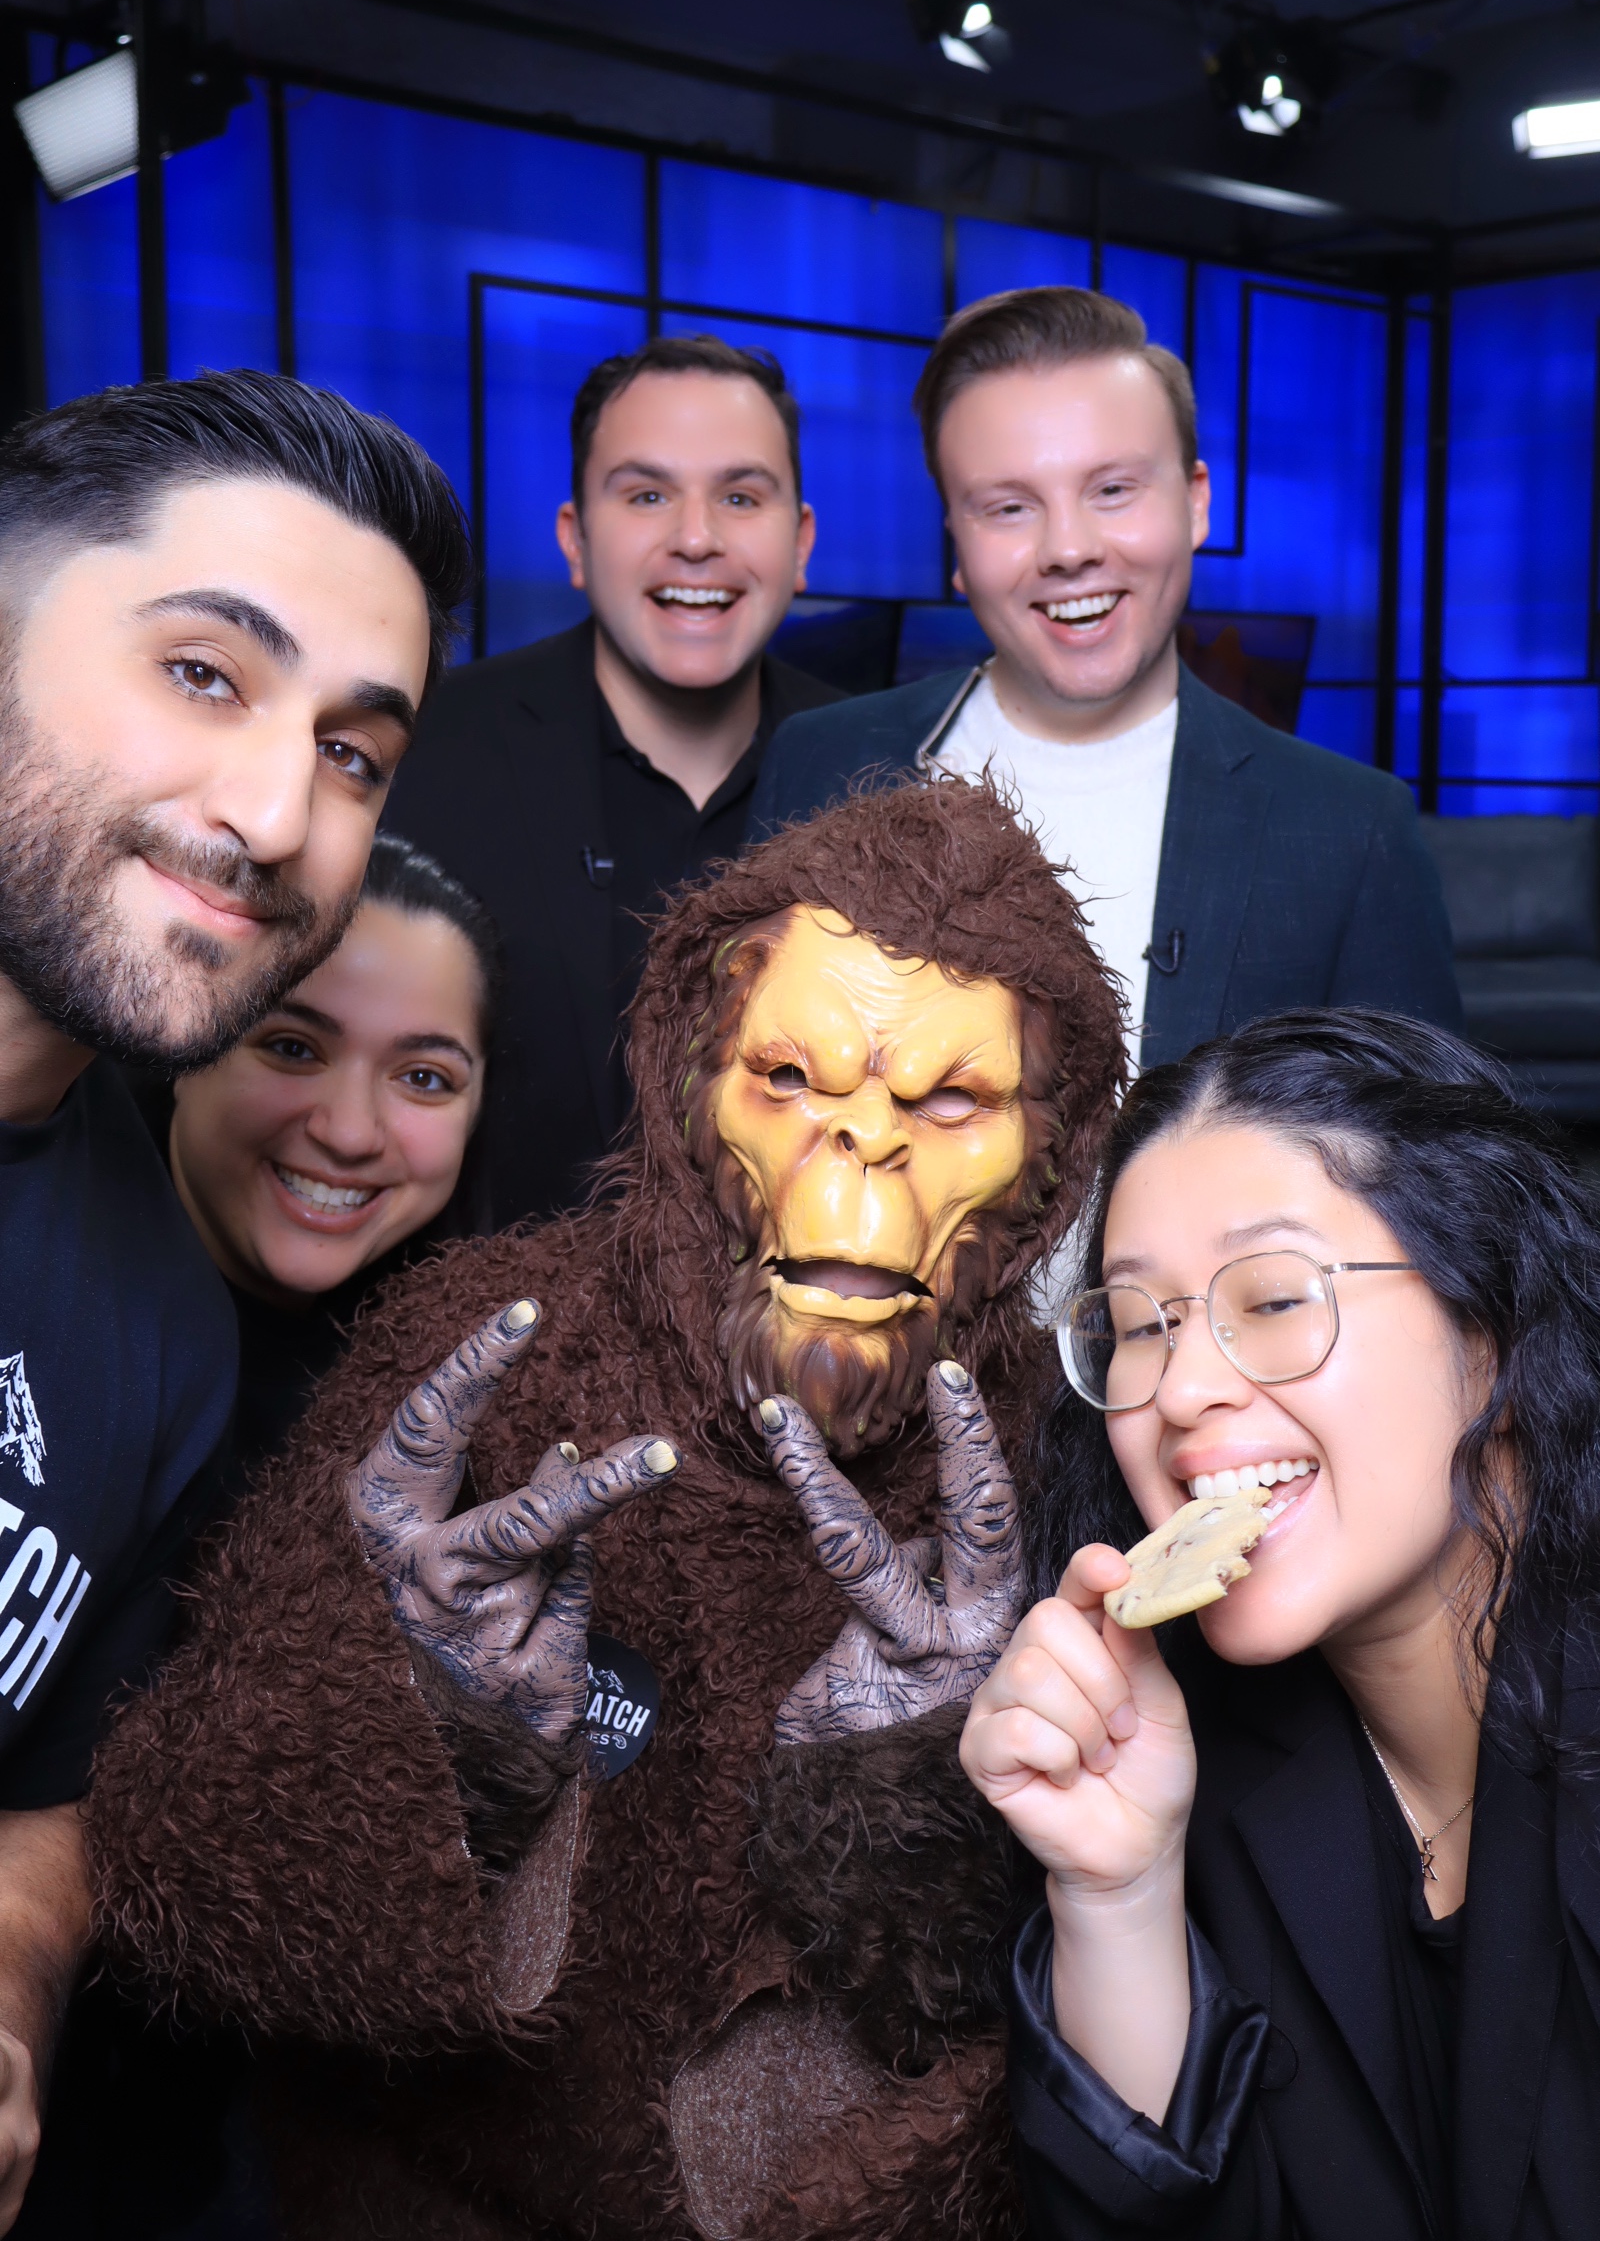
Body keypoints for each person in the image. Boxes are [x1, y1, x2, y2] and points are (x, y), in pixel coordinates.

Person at [88, 778, 1128, 2241]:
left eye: (946, 1100)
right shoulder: (492, 1351)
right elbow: (175, 1881)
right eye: (791, 1080)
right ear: (690, 1084)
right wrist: (454, 1750)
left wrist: (900, 1808)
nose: (860, 1152)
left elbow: (1088, 2071)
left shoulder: (1076, 1452)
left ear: (1056, 1147)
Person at [0, 365, 466, 2237]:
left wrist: (19, 1982)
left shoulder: (157, 1317)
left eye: (356, 753)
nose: (281, 809)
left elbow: (54, 1809)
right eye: (205, 672)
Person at [962, 1007, 1600, 2239]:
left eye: (1268, 1298)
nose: (1183, 1387)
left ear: (1496, 1328)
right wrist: (1117, 1896)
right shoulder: (1213, 1769)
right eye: (1141, 1325)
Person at [751, 288, 1462, 1071]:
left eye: (1113, 490)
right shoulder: (818, 762)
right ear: (957, 544)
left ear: (1196, 503)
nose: (1069, 548)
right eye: (1009, 507)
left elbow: (1429, 1176)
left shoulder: (1351, 831)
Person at [385, 331, 841, 1231]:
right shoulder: (424, 749)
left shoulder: (875, 766)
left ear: (801, 541)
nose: (697, 538)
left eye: (741, 496)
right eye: (647, 494)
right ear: (576, 539)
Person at [162, 831, 498, 1476]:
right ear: (184, 1045)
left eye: (423, 1078)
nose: (348, 1133)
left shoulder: (459, 1416)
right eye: (292, 1047)